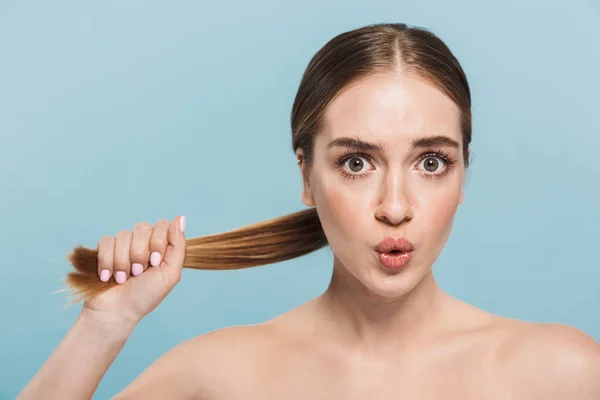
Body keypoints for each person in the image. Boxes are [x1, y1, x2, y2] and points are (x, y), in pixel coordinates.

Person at [18, 22, 600, 400]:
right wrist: (104, 327)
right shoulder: (224, 376)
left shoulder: (563, 372)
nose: (394, 208)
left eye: (430, 163)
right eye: (356, 163)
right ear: (305, 175)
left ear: (463, 172)